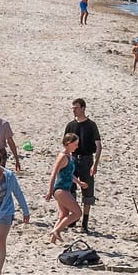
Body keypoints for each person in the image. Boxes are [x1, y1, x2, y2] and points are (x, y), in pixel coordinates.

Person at [64, 99, 101, 233]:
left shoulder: (91, 125)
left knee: (88, 191)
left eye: (76, 108)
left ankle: (85, 222)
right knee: (70, 189)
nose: (74, 110)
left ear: (83, 108)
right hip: (72, 159)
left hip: (86, 160)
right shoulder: (70, 125)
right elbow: (65, 145)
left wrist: (95, 164)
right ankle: (73, 218)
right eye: (73, 108)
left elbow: (98, 146)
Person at [44, 132, 86, 244]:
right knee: (77, 213)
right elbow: (54, 173)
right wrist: (49, 190)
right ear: (68, 144)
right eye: (75, 144)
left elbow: (68, 174)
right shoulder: (62, 156)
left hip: (65, 188)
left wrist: (79, 182)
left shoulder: (70, 156)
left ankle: (52, 241)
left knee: (63, 215)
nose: (77, 146)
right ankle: (56, 230)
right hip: (60, 189)